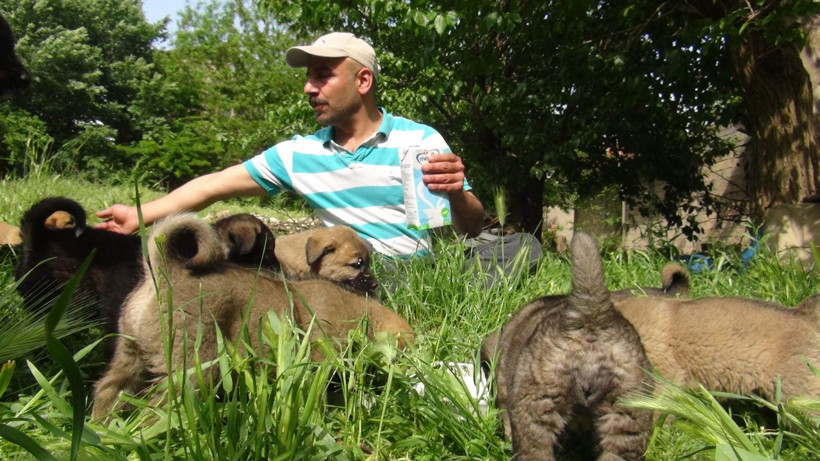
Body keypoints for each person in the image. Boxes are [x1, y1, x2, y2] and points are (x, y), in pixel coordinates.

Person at [96, 32, 486, 260]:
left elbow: (469, 229)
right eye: (308, 77)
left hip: (413, 279)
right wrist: (138, 215)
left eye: (322, 76)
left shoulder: (419, 141)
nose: (308, 88)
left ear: (363, 81)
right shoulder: (298, 155)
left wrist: (456, 193)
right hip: (340, 279)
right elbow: (213, 186)